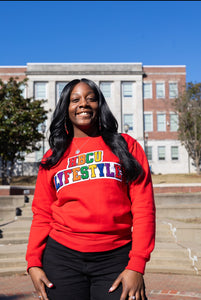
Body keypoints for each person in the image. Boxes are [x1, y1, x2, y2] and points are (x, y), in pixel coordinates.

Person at [26, 78, 155, 300]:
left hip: (115, 258)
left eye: (91, 98)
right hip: (62, 258)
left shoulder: (126, 146)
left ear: (99, 105)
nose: (83, 104)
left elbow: (143, 208)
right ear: (66, 108)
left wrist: (137, 265)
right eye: (75, 100)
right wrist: (33, 263)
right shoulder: (53, 157)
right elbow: (42, 214)